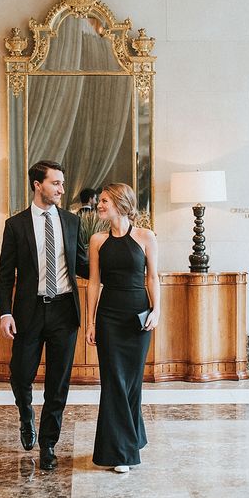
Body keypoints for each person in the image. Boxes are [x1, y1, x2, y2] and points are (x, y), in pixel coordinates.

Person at [0, 159, 90, 471]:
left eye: (62, 183)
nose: (62, 189)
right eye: (55, 183)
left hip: (65, 310)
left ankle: (48, 444)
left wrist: (124, 255)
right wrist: (5, 313)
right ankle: (26, 415)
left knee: (58, 383)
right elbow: (5, 275)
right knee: (20, 374)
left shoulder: (72, 222)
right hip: (29, 311)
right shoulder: (16, 225)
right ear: (37, 185)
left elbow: (84, 265)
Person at [85, 183, 160, 473]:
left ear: (120, 203)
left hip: (137, 319)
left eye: (104, 201)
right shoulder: (97, 240)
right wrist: (91, 322)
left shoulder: (145, 236)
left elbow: (152, 278)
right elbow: (94, 283)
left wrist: (157, 310)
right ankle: (122, 452)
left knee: (131, 382)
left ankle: (132, 437)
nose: (99, 205)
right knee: (113, 381)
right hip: (109, 318)